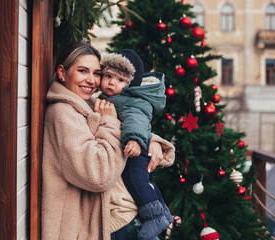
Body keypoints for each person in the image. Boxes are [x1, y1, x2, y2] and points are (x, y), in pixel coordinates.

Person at [41, 42, 175, 240]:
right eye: (83, 71)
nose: (91, 80)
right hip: (116, 223)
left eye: (96, 73)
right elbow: (98, 174)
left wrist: (151, 141)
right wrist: (110, 121)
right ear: (62, 72)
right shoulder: (62, 113)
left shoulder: (89, 103)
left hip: (127, 216)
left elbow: (127, 120)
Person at [99, 49, 175, 240]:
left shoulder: (127, 101)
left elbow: (135, 121)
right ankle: (163, 212)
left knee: (137, 180)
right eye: (108, 76)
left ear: (129, 84)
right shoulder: (110, 99)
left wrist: (135, 140)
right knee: (147, 181)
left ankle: (156, 216)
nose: (111, 82)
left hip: (135, 148)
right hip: (136, 147)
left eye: (119, 80)